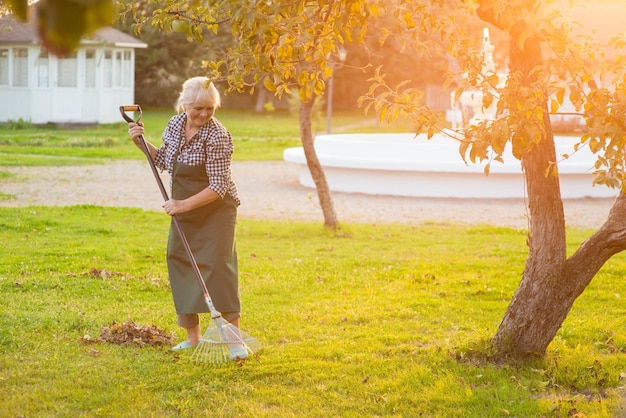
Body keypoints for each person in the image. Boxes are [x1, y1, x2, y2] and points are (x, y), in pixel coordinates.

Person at [127, 76, 246, 360]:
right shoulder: (174, 125)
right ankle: (192, 338)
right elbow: (164, 162)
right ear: (185, 105)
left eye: (210, 109)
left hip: (216, 210)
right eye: (198, 109)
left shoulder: (218, 135)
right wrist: (140, 143)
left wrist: (181, 205)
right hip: (185, 209)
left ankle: (235, 342)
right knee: (180, 262)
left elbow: (218, 187)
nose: (204, 114)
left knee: (218, 267)